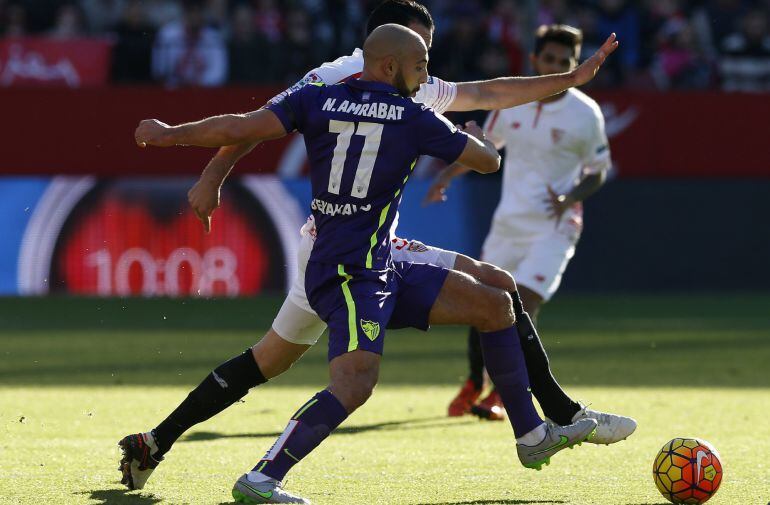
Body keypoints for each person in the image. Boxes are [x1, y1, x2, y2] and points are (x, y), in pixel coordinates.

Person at [119, 0, 628, 496]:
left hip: (347, 247)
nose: (429, 71)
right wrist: (212, 175)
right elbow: (250, 128)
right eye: (421, 54)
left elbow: (487, 90)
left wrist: (566, 81)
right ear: (388, 52)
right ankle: (550, 422)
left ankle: (156, 440)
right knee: (356, 372)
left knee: (272, 359)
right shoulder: (341, 81)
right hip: (343, 256)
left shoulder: (393, 90)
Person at [428, 25, 627, 429]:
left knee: (525, 301)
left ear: (573, 67)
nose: (555, 66)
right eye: (549, 59)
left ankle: (503, 392)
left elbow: (598, 171)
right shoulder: (511, 103)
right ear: (534, 61)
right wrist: (447, 176)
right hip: (509, 222)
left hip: (554, 227)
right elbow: (486, 147)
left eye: (563, 62)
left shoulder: (584, 113)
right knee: (481, 301)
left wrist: (570, 196)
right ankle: (473, 382)